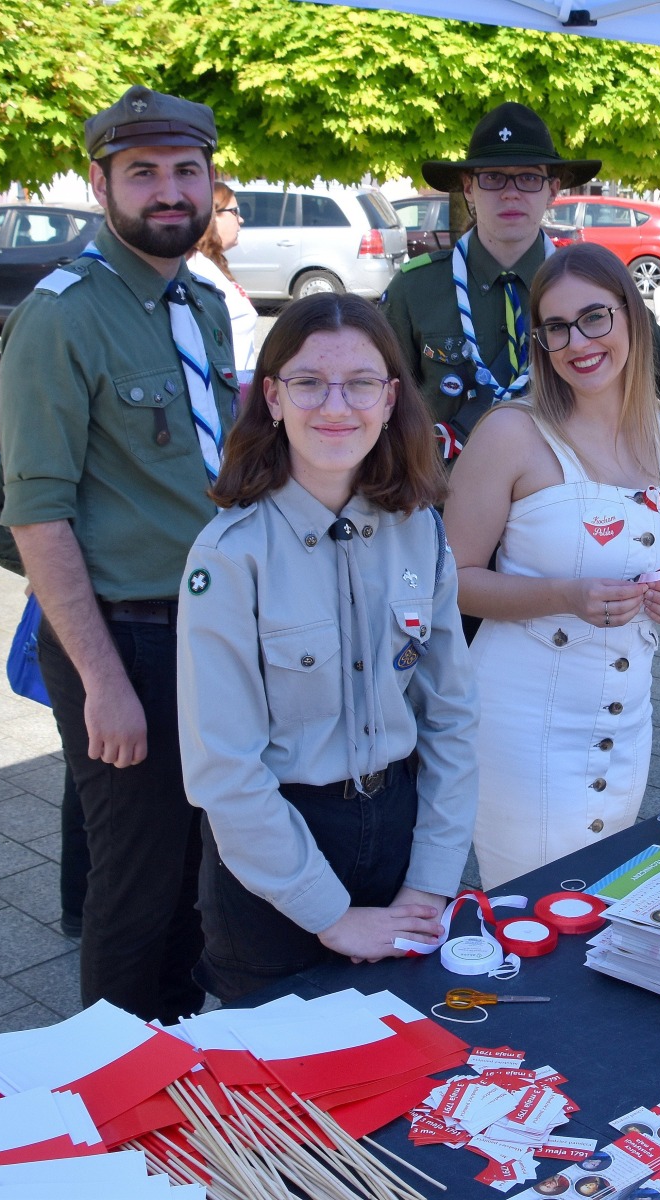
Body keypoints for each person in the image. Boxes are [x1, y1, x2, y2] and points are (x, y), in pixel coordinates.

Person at [0, 85, 243, 1022]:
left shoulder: (200, 304)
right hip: (127, 636)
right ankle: (113, 1083)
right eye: (142, 173)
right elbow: (38, 515)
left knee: (201, 863)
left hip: (210, 627)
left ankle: (178, 1053)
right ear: (100, 183)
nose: (169, 191)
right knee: (137, 883)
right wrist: (102, 681)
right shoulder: (62, 316)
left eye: (187, 170)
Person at [175, 293, 476, 1000]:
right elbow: (223, 770)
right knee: (290, 1087)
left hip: (398, 838)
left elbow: (452, 717)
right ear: (273, 398)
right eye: (309, 382)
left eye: (360, 382)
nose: (335, 405)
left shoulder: (419, 531)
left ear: (390, 397)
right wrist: (329, 915)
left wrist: (431, 882)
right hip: (276, 862)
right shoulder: (229, 556)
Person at [444, 243, 660, 886]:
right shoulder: (511, 433)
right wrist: (566, 594)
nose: (577, 342)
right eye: (555, 328)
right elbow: (450, 580)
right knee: (530, 907)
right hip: (523, 723)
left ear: (631, 317)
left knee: (599, 901)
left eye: (594, 317)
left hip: (630, 716)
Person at [382, 102, 660, 462]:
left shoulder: (594, 285)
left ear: (552, 189)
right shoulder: (415, 288)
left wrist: (658, 459)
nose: (511, 193)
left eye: (529, 178)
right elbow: (377, 400)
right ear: (468, 187)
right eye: (493, 178)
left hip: (563, 500)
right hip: (445, 502)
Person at [0, 456, 89, 940]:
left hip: (94, 624)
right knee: (95, 772)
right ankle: (86, 910)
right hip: (96, 625)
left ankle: (82, 909)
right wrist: (52, 567)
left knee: (88, 771)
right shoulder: (48, 429)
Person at [187, 181, 260, 375]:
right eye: (235, 211)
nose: (241, 219)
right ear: (213, 217)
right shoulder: (195, 269)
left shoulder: (210, 265)